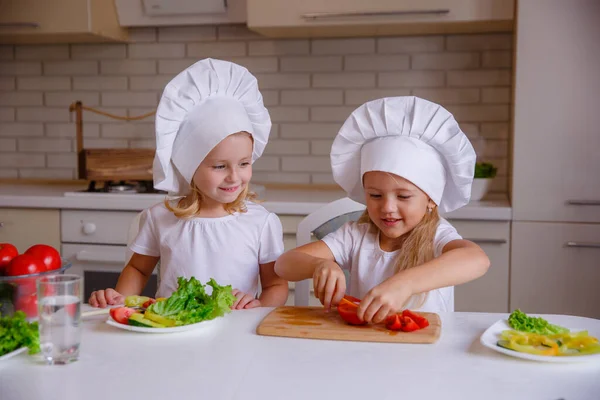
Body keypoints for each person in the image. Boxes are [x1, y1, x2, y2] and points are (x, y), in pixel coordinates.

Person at [89, 58, 288, 310]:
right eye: (220, 166)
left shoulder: (261, 222)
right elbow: (138, 269)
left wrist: (258, 306)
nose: (234, 177)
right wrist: (117, 300)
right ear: (189, 166)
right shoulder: (160, 217)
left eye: (244, 163)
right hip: (173, 333)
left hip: (235, 336)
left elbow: (276, 286)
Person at [275, 96, 490, 323]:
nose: (387, 208)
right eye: (375, 195)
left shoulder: (437, 235)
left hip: (425, 350)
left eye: (403, 196)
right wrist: (320, 264)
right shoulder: (356, 235)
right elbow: (284, 265)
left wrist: (403, 284)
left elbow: (477, 259)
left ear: (431, 199)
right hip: (368, 346)